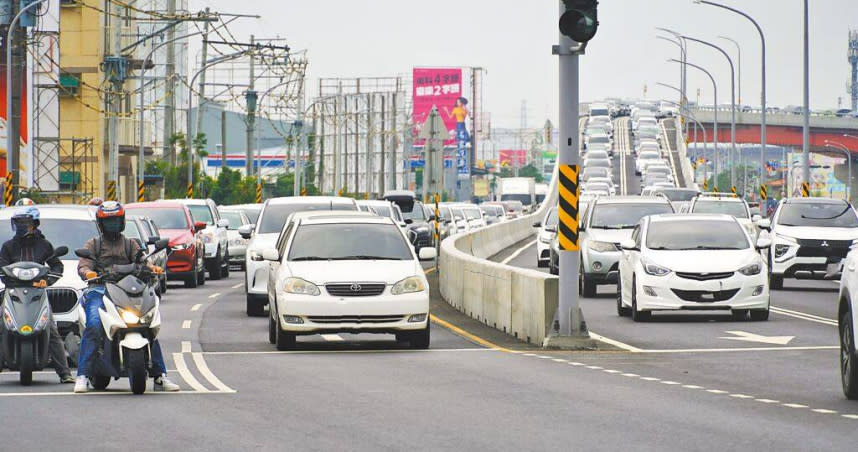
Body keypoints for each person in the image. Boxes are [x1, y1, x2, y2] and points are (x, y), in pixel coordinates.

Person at [74, 201, 179, 393]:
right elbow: (83, 264)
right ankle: (82, 375)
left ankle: (160, 376)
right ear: (101, 224)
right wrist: (88, 272)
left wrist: (152, 268)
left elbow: (142, 261)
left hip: (127, 290)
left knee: (148, 326)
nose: (112, 225)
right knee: (94, 325)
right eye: (108, 221)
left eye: (115, 221)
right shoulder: (94, 244)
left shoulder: (131, 244)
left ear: (122, 221)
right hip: (100, 289)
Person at [0, 206, 75, 383]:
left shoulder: (45, 245)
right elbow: (1, 266)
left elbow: (56, 266)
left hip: (38, 292)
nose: (21, 226)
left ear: (34, 224)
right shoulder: (8, 247)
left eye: (25, 223)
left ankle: (64, 373)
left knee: (51, 328)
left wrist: (47, 281)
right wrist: (9, 279)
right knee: (1, 323)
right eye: (18, 223)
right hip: (13, 292)